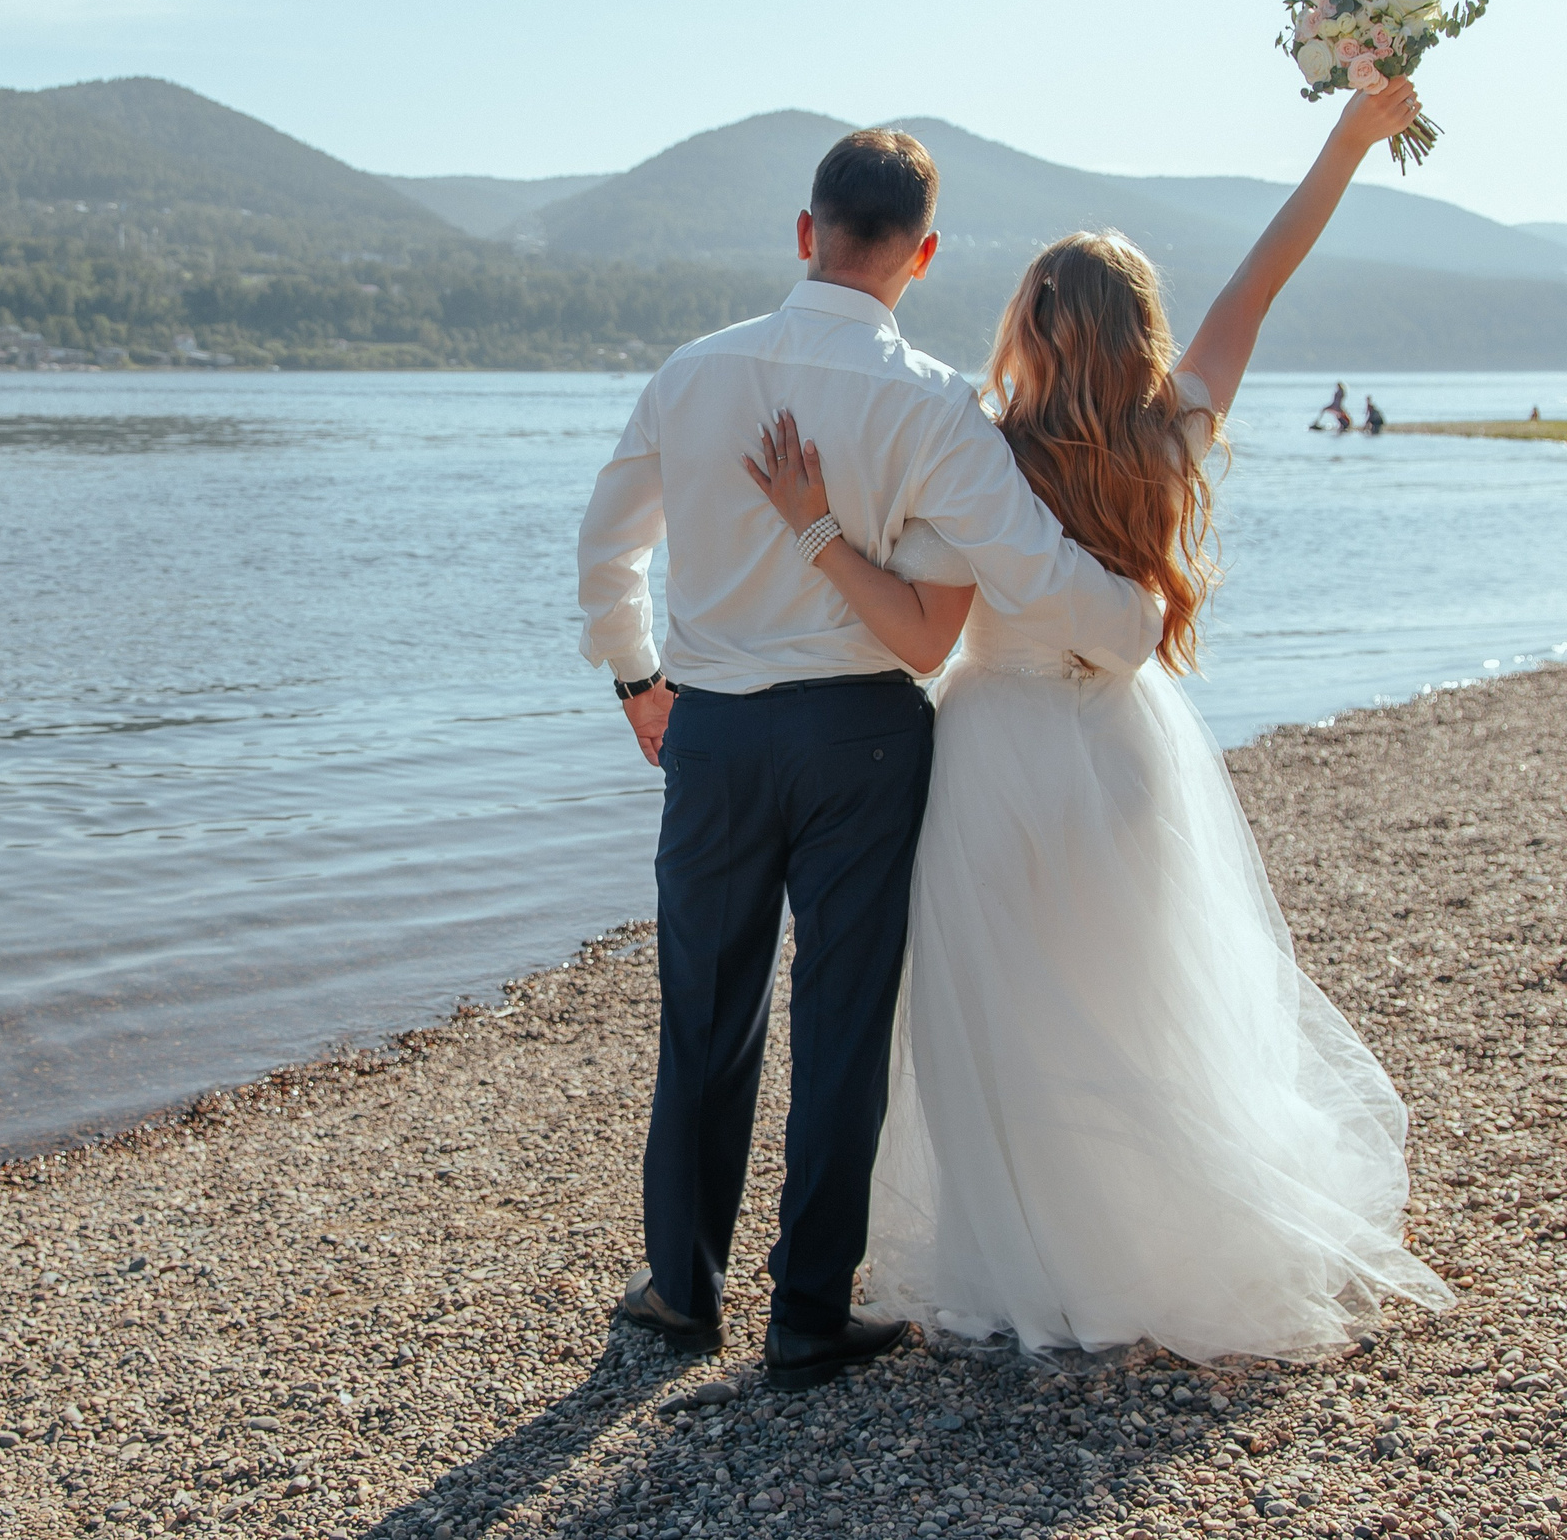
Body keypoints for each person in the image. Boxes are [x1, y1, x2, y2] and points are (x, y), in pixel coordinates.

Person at [744, 78, 1452, 1361]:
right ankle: (1138, 1252)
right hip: (1127, 750)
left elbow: (923, 626)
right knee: (1135, 1010)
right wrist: (1346, 140)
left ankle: (1029, 1268)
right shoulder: (1170, 431)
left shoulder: (978, 450)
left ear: (1023, 322)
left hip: (995, 753)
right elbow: (1264, 278)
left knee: (996, 1027)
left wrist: (807, 530)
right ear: (1141, 334)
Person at [576, 130, 1160, 1390]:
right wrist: (1132, 622)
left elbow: (606, 551)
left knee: (705, 1014)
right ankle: (804, 1314)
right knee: (842, 1025)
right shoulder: (936, 403)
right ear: (925, 255)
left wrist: (636, 679)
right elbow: (1026, 565)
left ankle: (683, 1290)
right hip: (862, 734)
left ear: (805, 231)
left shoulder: (692, 373)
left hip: (717, 732)